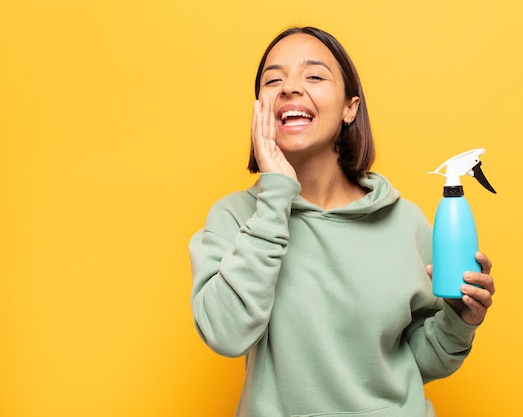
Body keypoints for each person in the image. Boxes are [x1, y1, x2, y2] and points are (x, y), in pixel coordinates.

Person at [189, 26, 495, 417]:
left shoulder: (407, 223)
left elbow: (414, 363)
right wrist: (276, 196)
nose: (290, 88)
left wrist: (460, 321)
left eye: (314, 76)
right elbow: (225, 334)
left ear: (350, 107)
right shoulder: (234, 218)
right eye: (273, 79)